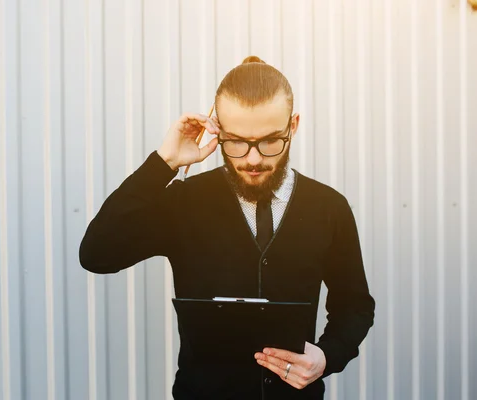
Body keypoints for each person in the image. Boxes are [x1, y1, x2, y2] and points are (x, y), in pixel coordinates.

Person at [79, 56, 375, 400]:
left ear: (292, 126)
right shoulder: (183, 203)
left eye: (269, 141)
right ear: (216, 130)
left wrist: (327, 357)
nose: (252, 158)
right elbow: (97, 254)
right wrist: (164, 163)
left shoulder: (329, 207)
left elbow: (354, 306)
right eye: (236, 141)